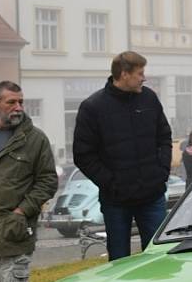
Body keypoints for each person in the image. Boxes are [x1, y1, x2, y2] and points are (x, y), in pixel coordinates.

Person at [73, 51, 172, 261]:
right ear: (124, 74)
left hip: (152, 195)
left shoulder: (149, 98)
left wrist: (161, 172)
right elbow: (83, 155)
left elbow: (164, 137)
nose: (144, 78)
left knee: (159, 257)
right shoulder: (93, 107)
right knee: (119, 261)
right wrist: (111, 183)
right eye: (140, 73)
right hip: (116, 200)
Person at [0, 81, 57, 282]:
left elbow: (48, 180)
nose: (18, 107)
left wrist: (22, 210)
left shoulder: (35, 139)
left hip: (15, 225)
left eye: (20, 101)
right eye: (11, 102)